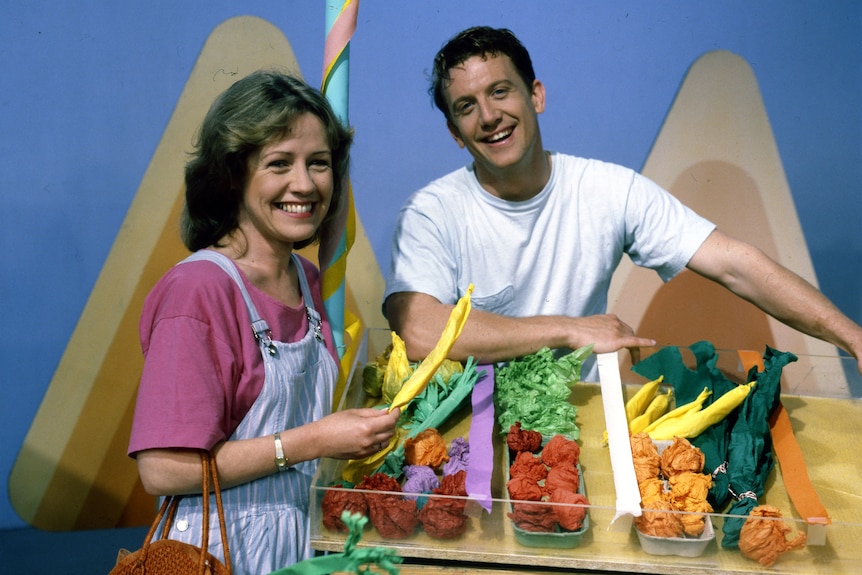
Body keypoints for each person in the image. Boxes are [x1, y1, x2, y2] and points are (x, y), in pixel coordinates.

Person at [383, 26, 862, 378]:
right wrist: (569, 329)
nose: (489, 116)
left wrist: (853, 338)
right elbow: (420, 330)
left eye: (500, 91)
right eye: (466, 107)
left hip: (584, 421)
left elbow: (735, 263)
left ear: (536, 95)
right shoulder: (431, 212)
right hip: (467, 435)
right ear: (454, 133)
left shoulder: (608, 189)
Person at [128, 70, 401, 574]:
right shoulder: (200, 290)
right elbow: (162, 468)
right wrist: (315, 440)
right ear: (233, 173)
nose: (305, 184)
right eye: (279, 164)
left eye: (319, 164)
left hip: (300, 546)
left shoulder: (310, 278)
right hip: (220, 552)